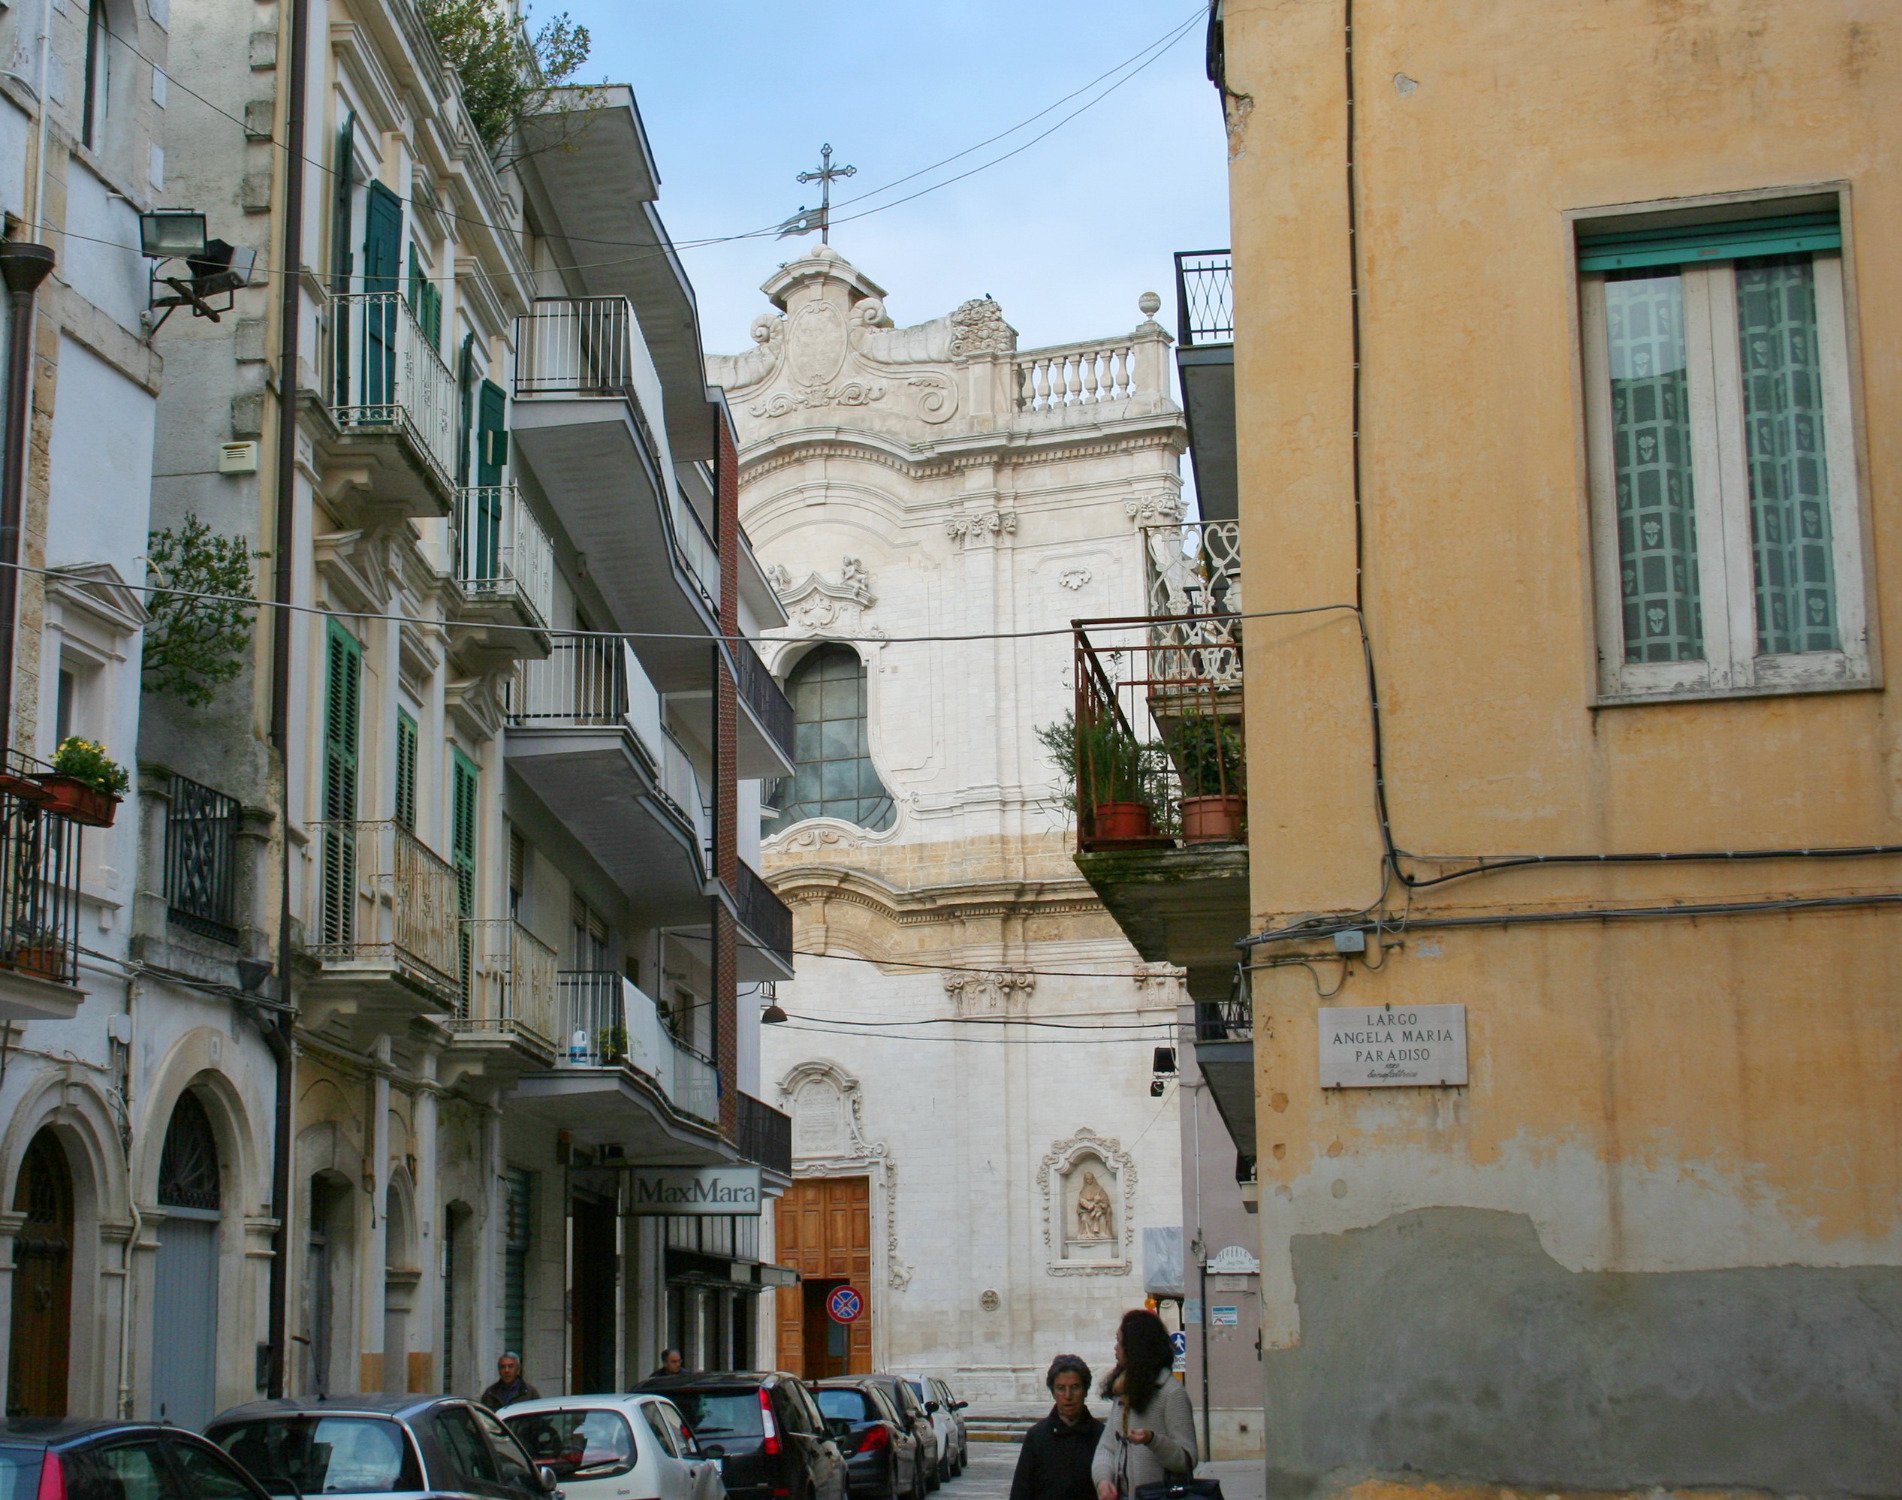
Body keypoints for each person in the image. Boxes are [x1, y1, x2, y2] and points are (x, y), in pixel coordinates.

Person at [1091, 1309, 1196, 1500]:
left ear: (1135, 1347)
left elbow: (1187, 1460)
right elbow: (1107, 1447)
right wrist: (1103, 1480)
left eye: (1119, 1342)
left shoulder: (1171, 1394)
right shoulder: (1122, 1392)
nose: (1116, 1348)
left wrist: (1153, 1440)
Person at [1010, 1354, 1103, 1500]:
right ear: (1053, 1392)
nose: (1068, 1395)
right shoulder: (1037, 1436)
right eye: (1061, 1388)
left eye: (1075, 1387)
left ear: (1085, 1390)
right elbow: (1021, 1491)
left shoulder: (1102, 1436)